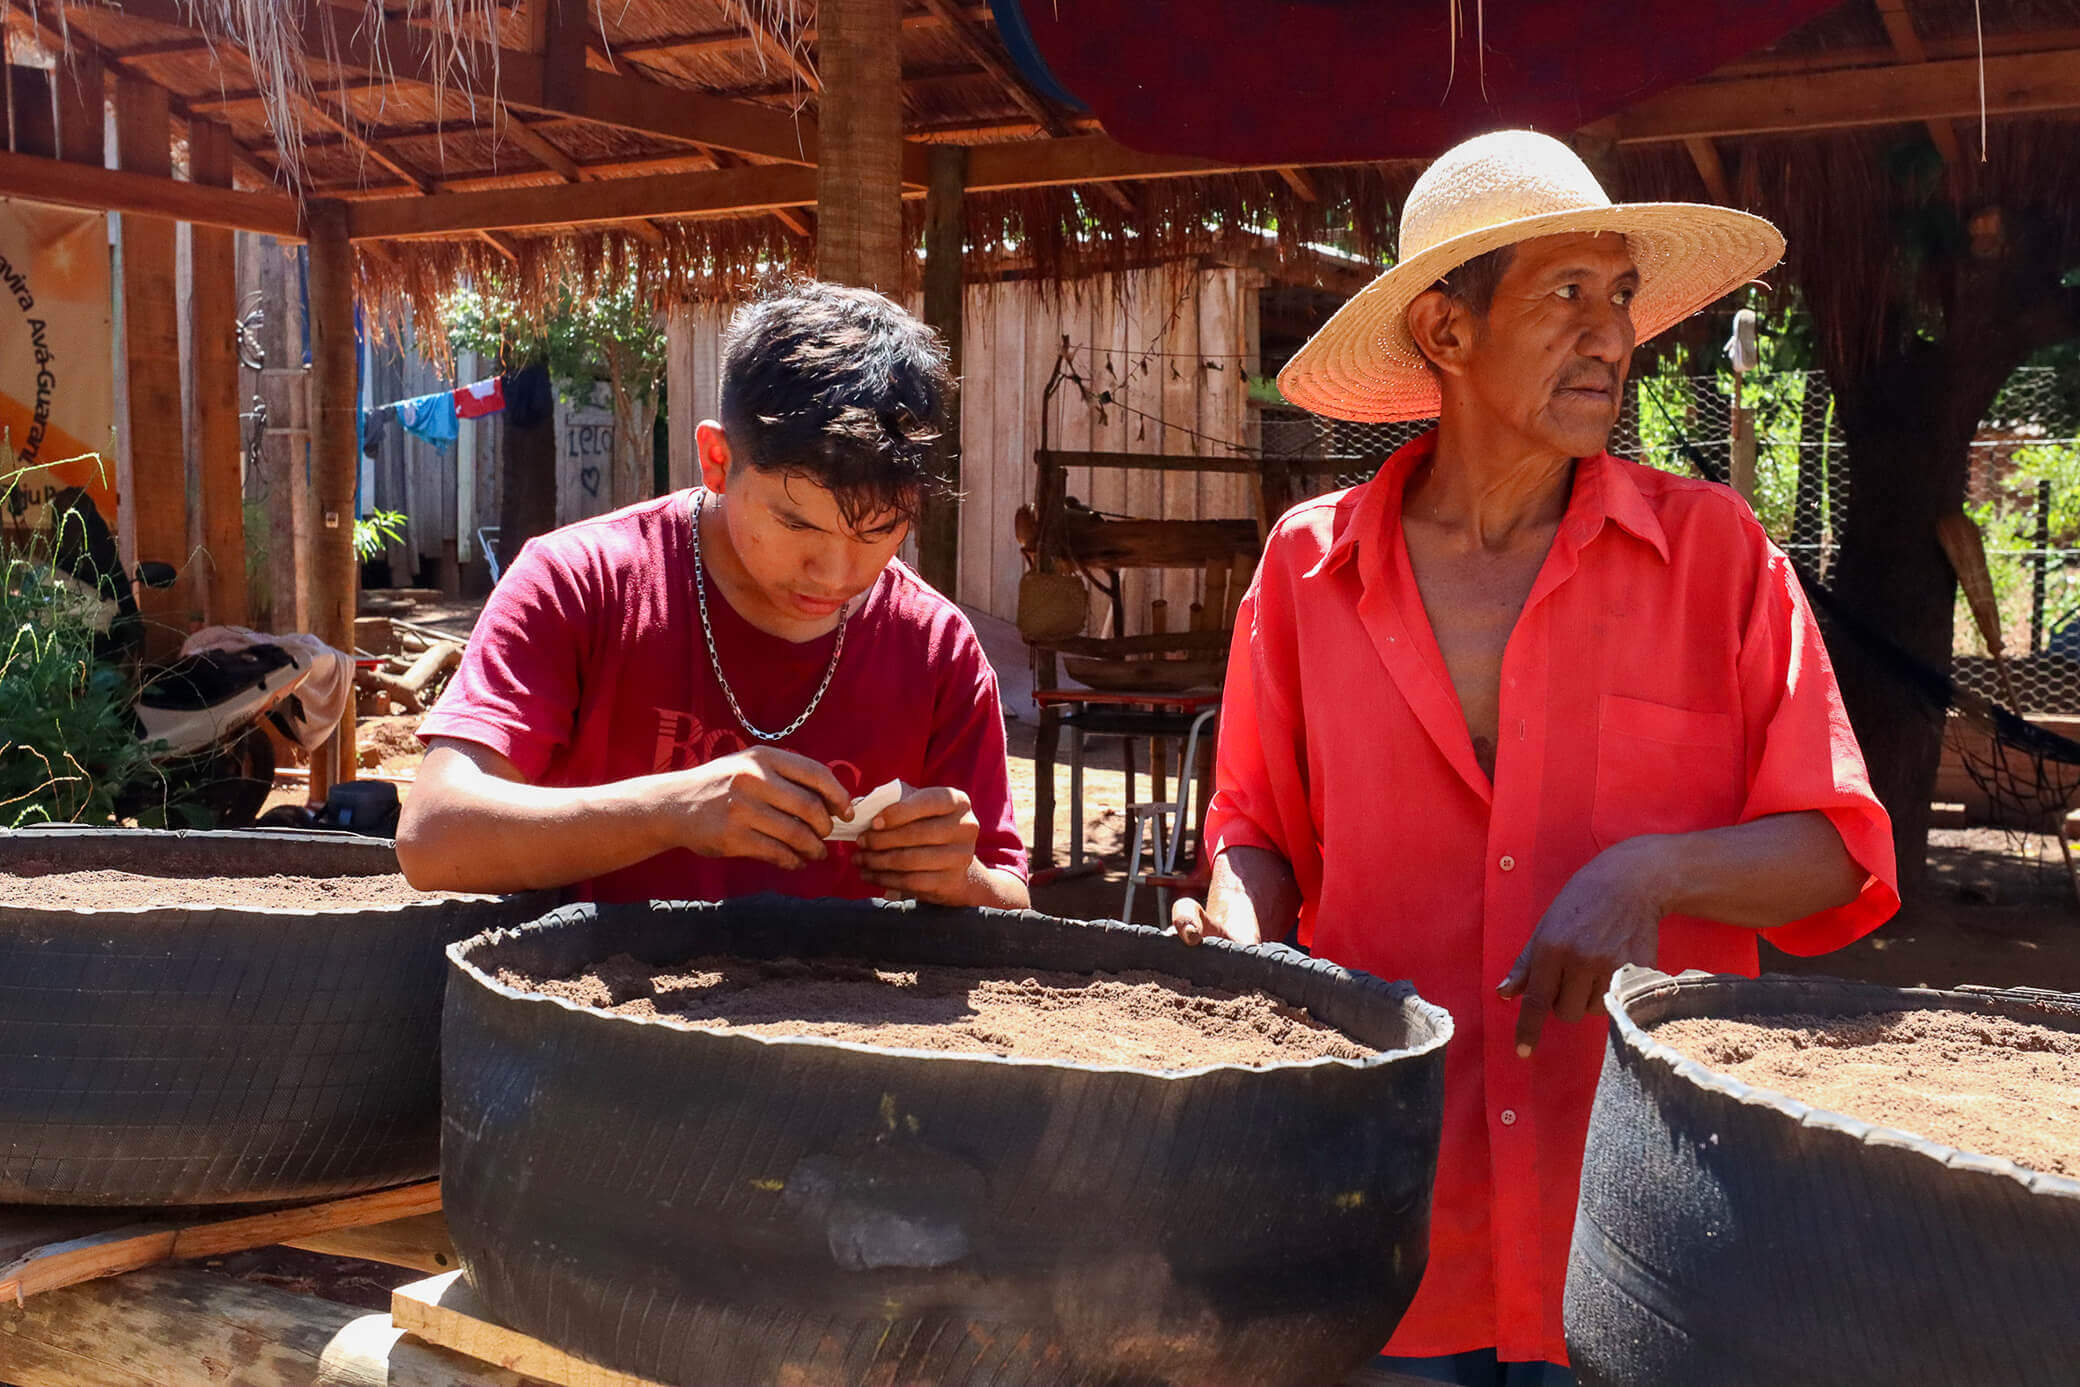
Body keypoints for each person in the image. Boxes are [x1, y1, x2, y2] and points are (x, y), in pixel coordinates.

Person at [1172, 130, 1900, 1385]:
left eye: (1620, 298)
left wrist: (1652, 876)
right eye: (1568, 294)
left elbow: (1837, 853)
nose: (1612, 335)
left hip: (1643, 1221)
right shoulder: (1307, 568)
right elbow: (1255, 829)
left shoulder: (1714, 559)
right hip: (1385, 1210)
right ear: (1446, 334)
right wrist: (1243, 933)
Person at [397, 280, 1029, 910]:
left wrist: (961, 878)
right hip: (588, 1004)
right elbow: (433, 837)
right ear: (717, 459)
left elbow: (1009, 897)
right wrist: (672, 810)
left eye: (881, 530)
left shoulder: (936, 649)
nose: (836, 574)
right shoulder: (580, 581)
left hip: (837, 1005)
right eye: (797, 524)